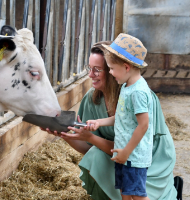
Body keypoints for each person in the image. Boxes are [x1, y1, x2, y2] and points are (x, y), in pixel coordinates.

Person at [43, 40, 178, 199]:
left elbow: (137, 145)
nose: (90, 75)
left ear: (115, 69)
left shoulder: (138, 95)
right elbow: (89, 148)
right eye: (89, 68)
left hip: (148, 163)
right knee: (97, 158)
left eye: (97, 70)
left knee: (136, 193)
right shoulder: (92, 99)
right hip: (120, 158)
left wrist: (91, 138)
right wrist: (64, 133)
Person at [86, 33, 153, 200]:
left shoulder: (138, 92)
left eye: (112, 68)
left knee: (137, 196)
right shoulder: (126, 86)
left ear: (126, 67)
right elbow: (122, 117)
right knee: (125, 193)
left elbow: (143, 125)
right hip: (123, 154)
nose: (110, 72)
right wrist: (99, 122)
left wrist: (126, 152)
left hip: (134, 157)